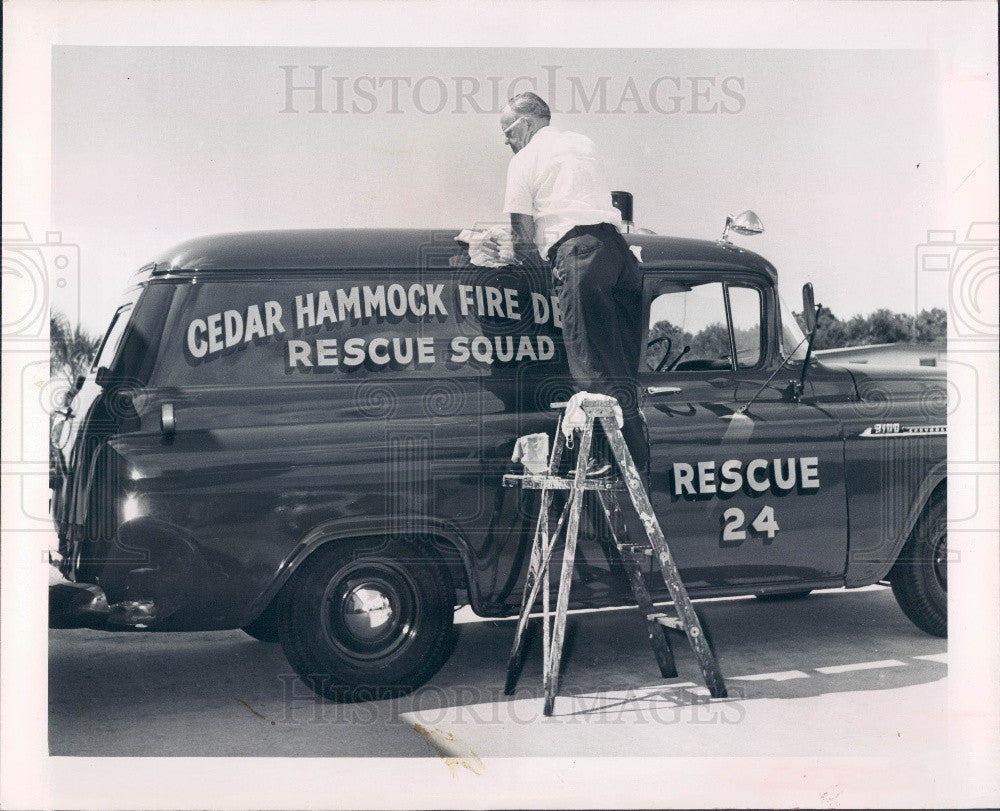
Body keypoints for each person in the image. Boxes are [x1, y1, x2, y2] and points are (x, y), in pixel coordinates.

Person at [482, 91, 648, 476]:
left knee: (588, 365)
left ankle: (605, 460)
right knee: (620, 364)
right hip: (618, 252)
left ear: (525, 124)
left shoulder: (524, 159)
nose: (506, 140)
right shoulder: (581, 142)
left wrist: (506, 253)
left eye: (507, 131)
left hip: (578, 254)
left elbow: (522, 233)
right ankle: (636, 458)